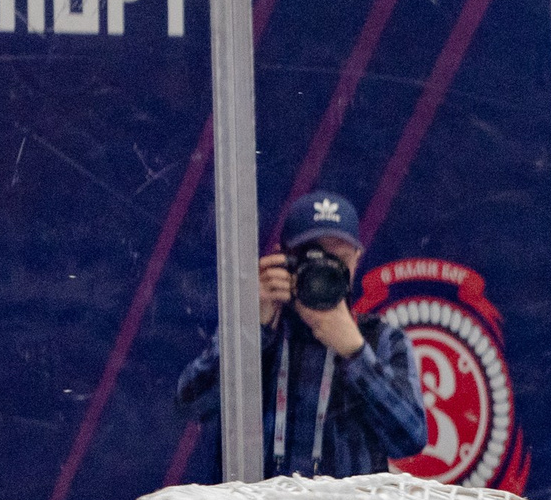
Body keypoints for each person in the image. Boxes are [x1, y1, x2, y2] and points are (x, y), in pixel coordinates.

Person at [173, 190, 428, 480]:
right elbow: (190, 405)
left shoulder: (380, 339)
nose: (325, 268)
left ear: (357, 259)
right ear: (284, 258)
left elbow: (411, 439)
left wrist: (355, 352)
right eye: (313, 255)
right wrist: (252, 328)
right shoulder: (261, 326)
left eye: (339, 257)